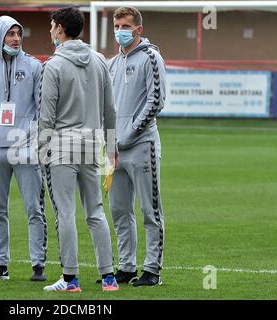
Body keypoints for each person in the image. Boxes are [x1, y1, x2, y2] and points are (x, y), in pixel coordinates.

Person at [39, 7, 119, 292]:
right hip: (93, 144)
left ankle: (70, 279)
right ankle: (108, 277)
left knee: (66, 213)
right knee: (95, 210)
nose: (50, 31)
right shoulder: (99, 60)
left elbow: (46, 116)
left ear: (60, 28)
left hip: (62, 147)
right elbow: (110, 109)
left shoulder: (54, 65)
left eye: (51, 26)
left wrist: (42, 148)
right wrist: (111, 147)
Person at [0, 16, 47, 281]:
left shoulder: (34, 66)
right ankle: (0, 264)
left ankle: (38, 264)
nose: (16, 38)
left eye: (18, 33)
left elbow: (42, 108)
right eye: (10, 34)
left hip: (25, 149)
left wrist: (36, 140)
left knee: (34, 209)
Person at [108, 6, 166, 286]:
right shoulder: (112, 63)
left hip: (142, 146)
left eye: (125, 26)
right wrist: (110, 143)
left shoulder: (151, 58)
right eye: (117, 25)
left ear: (138, 29)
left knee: (149, 210)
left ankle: (152, 270)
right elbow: (107, 108)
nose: (120, 31)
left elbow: (156, 101)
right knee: (119, 210)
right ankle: (127, 266)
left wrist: (128, 134)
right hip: (115, 151)